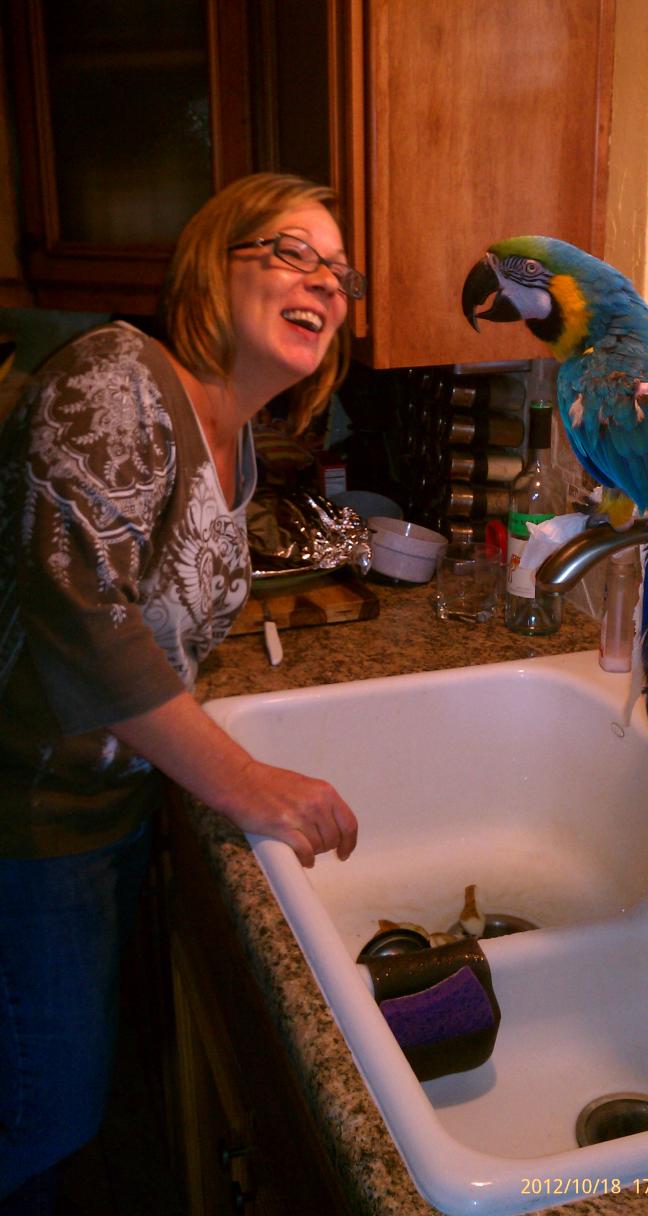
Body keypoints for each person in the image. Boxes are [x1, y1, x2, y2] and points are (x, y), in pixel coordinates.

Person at [0, 172, 362, 1213]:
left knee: (66, 1101)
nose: (324, 282)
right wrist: (243, 779)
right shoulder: (118, 378)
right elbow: (79, 617)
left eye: (338, 271)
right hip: (26, 819)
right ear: (214, 263)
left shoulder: (231, 433)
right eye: (292, 252)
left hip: (101, 811)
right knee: (40, 1117)